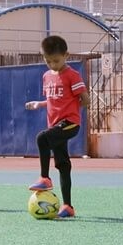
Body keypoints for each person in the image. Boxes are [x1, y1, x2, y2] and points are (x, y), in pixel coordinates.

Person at [25, 35, 89, 219]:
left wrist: (73, 106)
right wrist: (40, 103)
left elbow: (85, 100)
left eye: (56, 60)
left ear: (66, 55)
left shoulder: (72, 75)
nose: (52, 64)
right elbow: (54, 100)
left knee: (41, 138)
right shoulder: (46, 76)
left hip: (70, 123)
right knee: (63, 165)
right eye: (48, 61)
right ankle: (68, 206)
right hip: (56, 125)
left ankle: (44, 178)